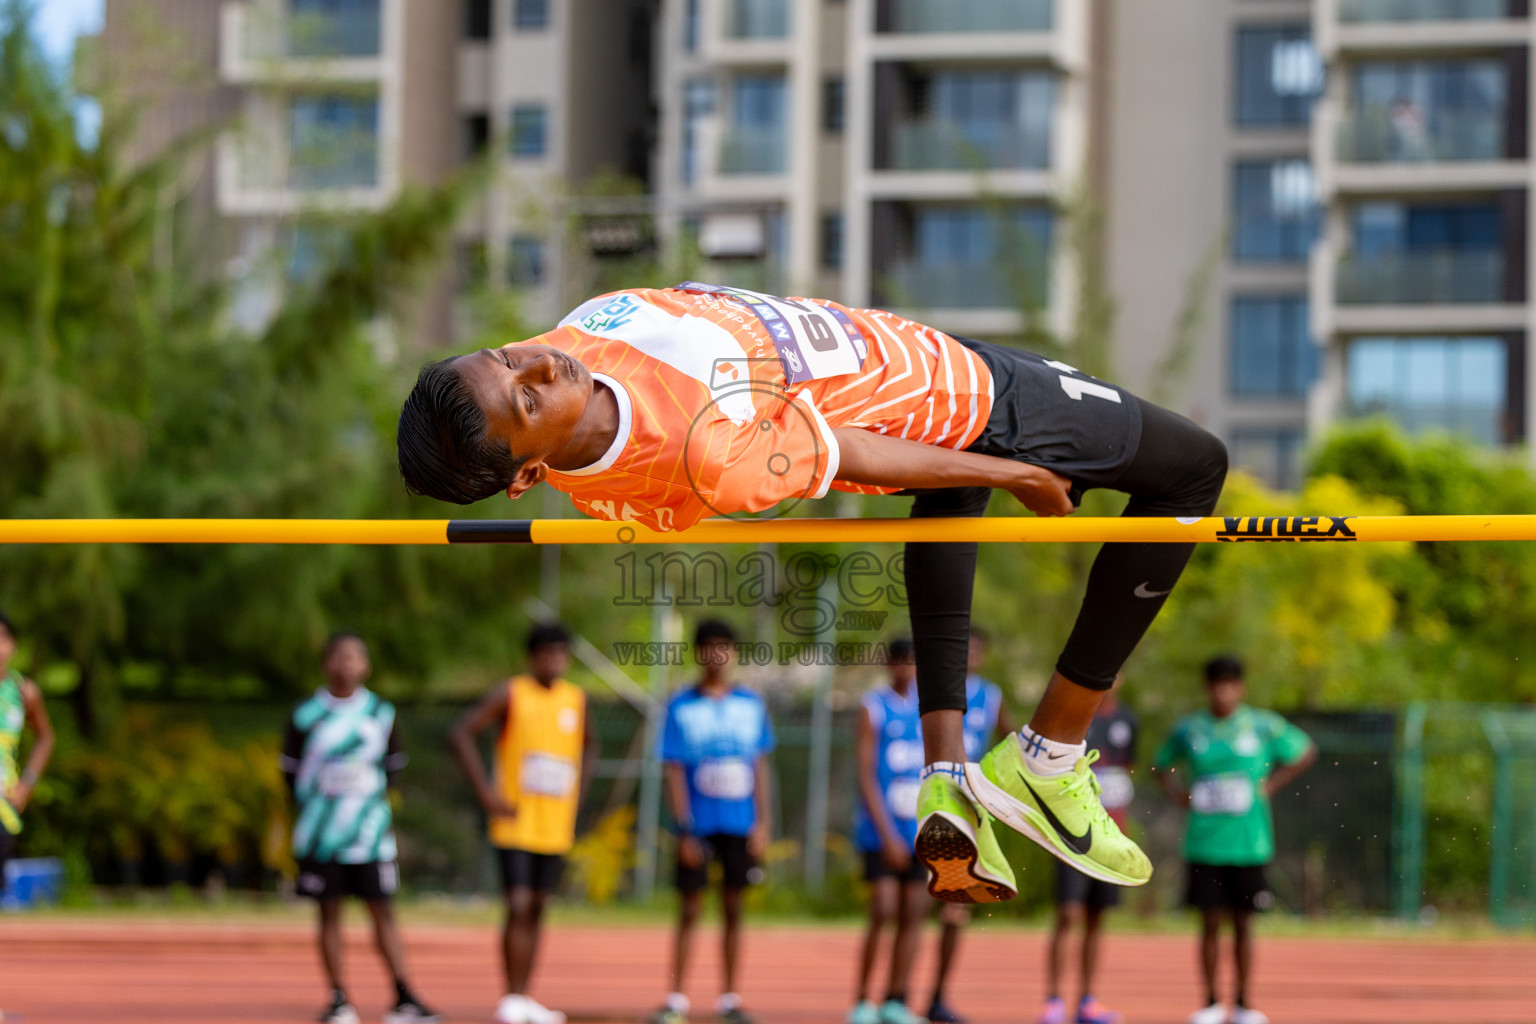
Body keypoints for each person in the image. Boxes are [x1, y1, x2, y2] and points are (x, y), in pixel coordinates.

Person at [397, 283, 1227, 897]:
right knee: (1192, 469)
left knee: (951, 508)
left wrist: (977, 469)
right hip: (964, 391)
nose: (542, 362)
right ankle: (1050, 753)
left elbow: (555, 387)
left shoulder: (576, 335)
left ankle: (947, 773)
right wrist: (1015, 472)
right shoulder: (707, 451)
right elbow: (858, 453)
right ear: (527, 474)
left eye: (509, 356)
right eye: (527, 394)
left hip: (908, 371)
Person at [280, 633, 438, 1024]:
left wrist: (368, 813)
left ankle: (403, 996)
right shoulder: (305, 715)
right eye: (338, 657)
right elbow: (290, 773)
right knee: (328, 913)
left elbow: (393, 771)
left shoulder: (381, 713)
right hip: (321, 839)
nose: (346, 664)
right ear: (325, 664)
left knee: (383, 911)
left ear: (365, 665)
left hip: (369, 838)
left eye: (354, 657)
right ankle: (338, 999)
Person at [1151, 656, 1316, 1024]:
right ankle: (1210, 1002)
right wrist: (1178, 793)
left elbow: (1304, 750)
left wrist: (1271, 785)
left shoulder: (1261, 725)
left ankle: (1242, 1003)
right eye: (1216, 683)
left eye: (1230, 683)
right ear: (1207, 686)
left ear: (1240, 687)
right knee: (1209, 922)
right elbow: (1159, 765)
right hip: (1204, 842)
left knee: (1244, 923)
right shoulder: (1190, 729)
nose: (1223, 691)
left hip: (1249, 843)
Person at [449, 622, 594, 1024]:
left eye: (561, 653)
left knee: (540, 906)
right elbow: (460, 734)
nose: (554, 661)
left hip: (555, 824)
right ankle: (510, 996)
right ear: (532, 657)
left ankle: (526, 995)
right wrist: (487, 795)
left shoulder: (576, 700)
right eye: (546, 653)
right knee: (518, 903)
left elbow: (590, 745)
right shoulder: (512, 694)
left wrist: (577, 796)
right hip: (516, 821)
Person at [650, 619, 774, 1024]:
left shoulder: (751, 705)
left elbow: (760, 766)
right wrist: (683, 827)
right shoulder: (681, 706)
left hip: (740, 824)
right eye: (709, 647)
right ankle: (676, 998)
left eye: (724, 647)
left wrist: (763, 823)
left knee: (734, 907)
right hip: (698, 825)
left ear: (733, 653)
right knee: (689, 908)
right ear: (699, 652)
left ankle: (730, 998)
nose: (717, 656)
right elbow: (673, 769)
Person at [924, 628, 1014, 1024]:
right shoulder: (930, 690)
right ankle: (888, 998)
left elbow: (1008, 742)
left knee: (954, 910)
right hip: (932, 803)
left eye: (977, 650)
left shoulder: (990, 697)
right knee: (909, 908)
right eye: (965, 649)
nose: (970, 656)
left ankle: (936, 997)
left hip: (967, 808)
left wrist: (994, 785)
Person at [1039, 674, 1137, 1024]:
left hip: (1108, 839)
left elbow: (1127, 772)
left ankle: (1087, 999)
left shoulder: (1128, 720)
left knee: (1097, 918)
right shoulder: (1073, 718)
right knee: (1068, 914)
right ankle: (1052, 1000)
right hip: (1072, 835)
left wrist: (1120, 832)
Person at [849, 638, 927, 1024]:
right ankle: (863, 1000)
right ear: (889, 664)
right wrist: (887, 836)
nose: (907, 669)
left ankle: (896, 998)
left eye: (913, 662)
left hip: (921, 830)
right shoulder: (873, 706)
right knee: (883, 908)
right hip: (882, 829)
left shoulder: (928, 708)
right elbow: (865, 775)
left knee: (914, 911)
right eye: (901, 661)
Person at [0, 610, 56, 892]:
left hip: (3, 806)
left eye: (1, 638)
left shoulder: (24, 693)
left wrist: (26, 784)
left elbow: (46, 737)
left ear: (13, 645)